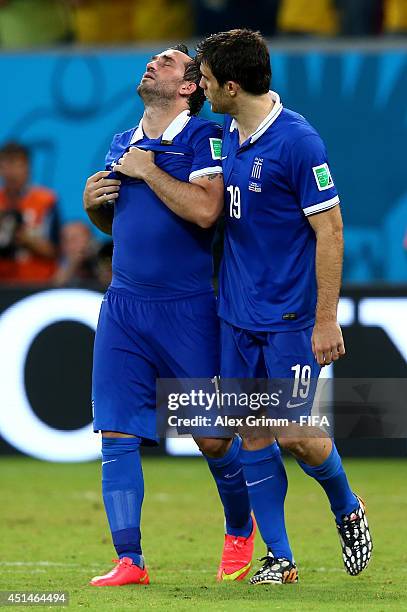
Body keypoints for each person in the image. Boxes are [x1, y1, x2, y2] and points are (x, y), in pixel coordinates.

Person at [197, 29, 373, 584]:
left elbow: (332, 229)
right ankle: (279, 556)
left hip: (291, 320)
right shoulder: (226, 131)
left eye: (206, 79)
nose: (201, 87)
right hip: (236, 314)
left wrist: (326, 318)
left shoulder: (299, 142)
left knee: (296, 433)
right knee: (250, 430)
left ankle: (346, 505)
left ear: (230, 85)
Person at [83, 45, 255, 587]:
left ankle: (240, 526)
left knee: (211, 437)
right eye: (154, 59)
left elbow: (206, 211)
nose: (154, 64)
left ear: (188, 87)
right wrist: (93, 208)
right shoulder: (123, 139)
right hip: (124, 305)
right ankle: (129, 559)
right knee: (116, 432)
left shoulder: (204, 138)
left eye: (169, 62)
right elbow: (127, 225)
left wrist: (148, 169)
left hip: (186, 308)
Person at [0, 142, 59, 284]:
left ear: (28, 168)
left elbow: (56, 250)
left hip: (37, 287)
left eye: (17, 165)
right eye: (5, 165)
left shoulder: (46, 201)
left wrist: (26, 239)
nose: (11, 172)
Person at [53, 220, 97, 287]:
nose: (82, 244)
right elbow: (54, 286)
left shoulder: (100, 257)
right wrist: (73, 263)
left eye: (73, 239)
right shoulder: (58, 261)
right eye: (73, 240)